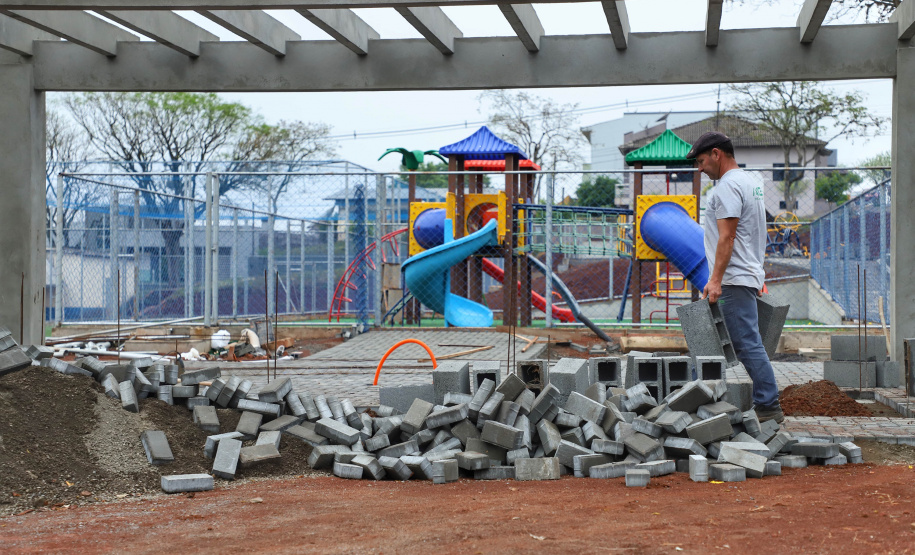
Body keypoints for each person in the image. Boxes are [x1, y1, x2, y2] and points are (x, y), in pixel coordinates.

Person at [688, 131, 783, 423]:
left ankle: (768, 406)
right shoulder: (751, 183)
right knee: (748, 341)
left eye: (702, 161)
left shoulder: (727, 188)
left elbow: (727, 238)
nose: (700, 169)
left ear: (717, 154)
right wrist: (757, 271)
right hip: (746, 273)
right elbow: (753, 233)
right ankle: (766, 403)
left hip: (734, 278)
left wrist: (715, 280)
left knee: (746, 343)